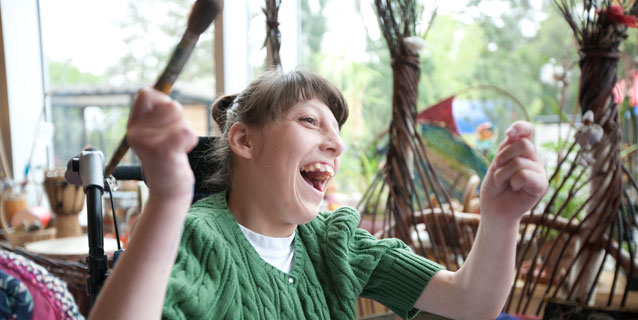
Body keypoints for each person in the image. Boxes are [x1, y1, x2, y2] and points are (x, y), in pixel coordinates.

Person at [89, 70, 548, 320]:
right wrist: (169, 197)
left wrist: (502, 218)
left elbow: (470, 303)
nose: (337, 144)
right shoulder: (201, 236)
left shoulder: (335, 241)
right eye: (310, 121)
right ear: (244, 141)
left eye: (337, 131)